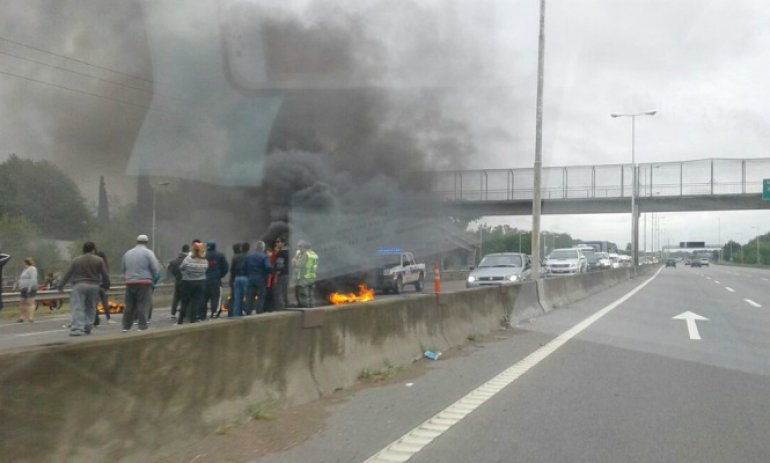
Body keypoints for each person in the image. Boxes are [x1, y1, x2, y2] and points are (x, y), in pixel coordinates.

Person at [57, 242, 110, 336]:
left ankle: (77, 328)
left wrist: (61, 285)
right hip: (94, 285)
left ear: (83, 250)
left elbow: (69, 273)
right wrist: (106, 285)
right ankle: (88, 326)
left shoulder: (76, 260)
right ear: (93, 250)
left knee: (78, 306)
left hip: (79, 285)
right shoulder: (99, 260)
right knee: (91, 306)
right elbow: (104, 274)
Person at [120, 234, 160, 332]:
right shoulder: (148, 253)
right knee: (143, 305)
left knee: (129, 305)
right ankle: (142, 327)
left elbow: (123, 268)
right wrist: (153, 279)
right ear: (146, 242)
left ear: (136, 241)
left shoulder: (127, 253)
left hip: (130, 282)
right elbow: (155, 268)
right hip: (144, 282)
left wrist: (128, 277)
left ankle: (126, 327)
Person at [178, 241, 208, 324]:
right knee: (196, 302)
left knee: (185, 302)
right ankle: (193, 320)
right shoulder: (204, 261)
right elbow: (205, 270)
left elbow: (181, 267)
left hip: (187, 282)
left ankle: (180, 320)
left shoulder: (188, 259)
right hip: (200, 283)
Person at [203, 241, 229, 320]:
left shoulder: (203, 256)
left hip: (204, 280)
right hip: (216, 281)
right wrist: (220, 275)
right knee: (216, 298)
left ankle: (201, 315)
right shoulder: (220, 255)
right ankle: (214, 314)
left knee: (203, 298)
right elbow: (226, 267)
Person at [245, 241, 272, 315]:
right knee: (261, 296)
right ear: (263, 248)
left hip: (250, 279)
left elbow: (245, 267)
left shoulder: (249, 256)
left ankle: (247, 311)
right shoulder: (264, 257)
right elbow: (268, 267)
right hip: (261, 279)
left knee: (250, 296)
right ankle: (259, 312)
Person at [293, 240, 318, 308]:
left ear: (303, 247)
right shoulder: (314, 254)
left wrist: (295, 262)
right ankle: (312, 308)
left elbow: (300, 265)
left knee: (303, 295)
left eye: (299, 247)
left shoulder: (305, 254)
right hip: (312, 277)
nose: (299, 249)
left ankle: (306, 310)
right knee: (311, 295)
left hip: (304, 277)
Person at [167, 244, 190, 320]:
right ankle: (185, 313)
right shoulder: (189, 260)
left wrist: (176, 276)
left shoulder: (175, 260)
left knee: (176, 298)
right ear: (188, 250)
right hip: (186, 281)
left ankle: (173, 313)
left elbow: (171, 269)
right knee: (185, 298)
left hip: (177, 280)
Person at [93, 250, 113, 326]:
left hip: (96, 287)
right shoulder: (105, 266)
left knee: (95, 304)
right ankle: (108, 318)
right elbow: (107, 277)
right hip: (104, 287)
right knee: (105, 304)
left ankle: (95, 319)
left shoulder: (94, 266)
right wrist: (108, 287)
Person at [229, 242, 248, 317]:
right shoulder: (247, 256)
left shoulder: (235, 257)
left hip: (236, 278)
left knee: (236, 297)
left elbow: (232, 270)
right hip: (245, 277)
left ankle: (235, 314)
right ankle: (246, 311)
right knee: (246, 296)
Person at [16, 257, 38, 323]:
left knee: (30, 302)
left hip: (30, 287)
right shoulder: (25, 270)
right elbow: (21, 278)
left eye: (23, 262)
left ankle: (31, 317)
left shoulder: (32, 269)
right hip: (23, 288)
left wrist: (30, 287)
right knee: (22, 302)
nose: (22, 264)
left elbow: (33, 278)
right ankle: (22, 317)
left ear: (26, 262)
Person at [272, 237, 290, 310]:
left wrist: (276, 276)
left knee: (278, 292)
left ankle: (280, 308)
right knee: (284, 291)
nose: (277, 244)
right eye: (276, 242)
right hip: (286, 274)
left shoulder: (281, 253)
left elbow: (280, 265)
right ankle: (286, 305)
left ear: (283, 243)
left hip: (281, 275)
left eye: (278, 242)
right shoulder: (288, 251)